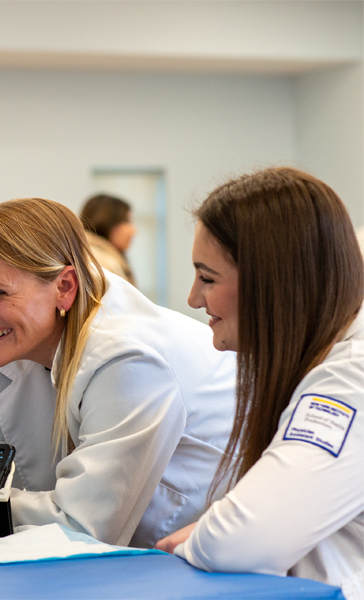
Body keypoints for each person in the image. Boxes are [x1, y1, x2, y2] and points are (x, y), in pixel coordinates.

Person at [0, 197, 236, 548]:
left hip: (198, 565)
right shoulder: (11, 347)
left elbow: (81, 524)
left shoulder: (129, 358)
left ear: (65, 287)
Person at [155, 168, 363, 599]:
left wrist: (206, 535)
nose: (194, 298)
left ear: (273, 282)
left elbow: (240, 540)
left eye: (208, 278)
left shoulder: (350, 378)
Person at [80, 193, 136, 285]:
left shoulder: (103, 257)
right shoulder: (97, 261)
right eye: (126, 221)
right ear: (105, 221)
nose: (133, 230)